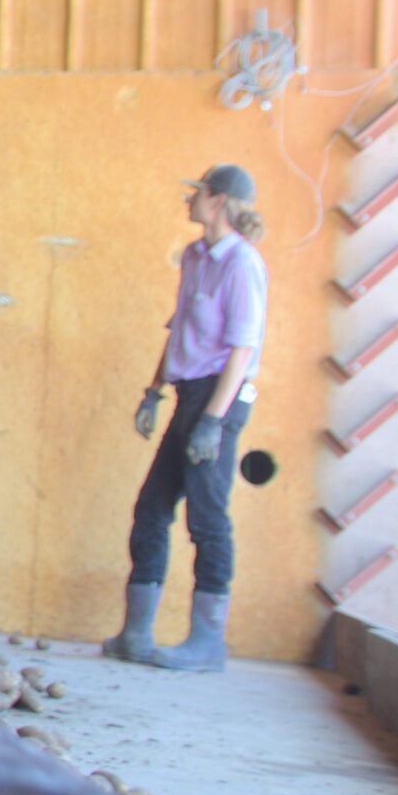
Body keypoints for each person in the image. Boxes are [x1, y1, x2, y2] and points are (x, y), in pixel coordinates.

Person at [103, 163, 267, 671]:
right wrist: (154, 390)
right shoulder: (196, 256)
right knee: (152, 508)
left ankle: (207, 643)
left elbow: (242, 350)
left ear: (218, 202)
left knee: (207, 517)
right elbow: (178, 333)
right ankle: (135, 633)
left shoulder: (242, 263)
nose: (188, 200)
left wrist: (213, 420)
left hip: (220, 398)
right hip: (187, 393)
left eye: (196, 193)